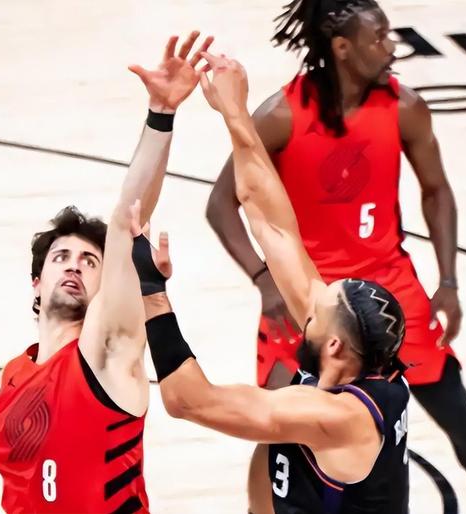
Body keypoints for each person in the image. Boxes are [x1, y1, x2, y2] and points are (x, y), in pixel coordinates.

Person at [0, 31, 213, 514]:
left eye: (90, 262)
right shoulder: (9, 381)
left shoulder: (106, 351)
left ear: (103, 287)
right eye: (61, 258)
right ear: (37, 282)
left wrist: (160, 115)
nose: (75, 265)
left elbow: (127, 219)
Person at [204, 1, 466, 512]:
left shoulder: (405, 106)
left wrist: (449, 282)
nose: (392, 46)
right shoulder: (281, 114)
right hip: (311, 293)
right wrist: (262, 278)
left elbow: (437, 190)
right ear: (342, 48)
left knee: (460, 417)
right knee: (274, 429)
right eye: (379, 37)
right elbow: (221, 203)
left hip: (392, 290)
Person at [132, 51, 410, 514]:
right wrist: (236, 114)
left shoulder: (336, 416)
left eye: (318, 310)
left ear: (335, 346)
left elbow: (190, 402)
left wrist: (150, 288)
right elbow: (274, 226)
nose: (309, 301)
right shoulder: (354, 356)